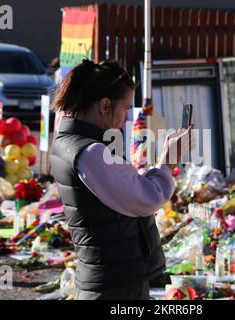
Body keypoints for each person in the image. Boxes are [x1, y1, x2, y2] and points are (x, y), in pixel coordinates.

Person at [50, 59, 194, 300]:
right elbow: (147, 197)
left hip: (106, 277)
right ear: (105, 105)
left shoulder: (69, 142)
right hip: (114, 284)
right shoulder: (91, 153)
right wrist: (167, 161)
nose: (127, 118)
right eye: (126, 107)